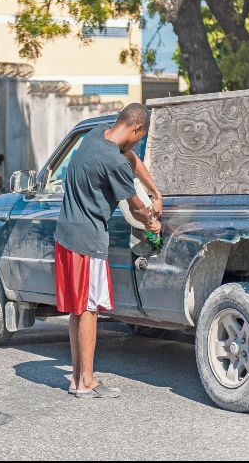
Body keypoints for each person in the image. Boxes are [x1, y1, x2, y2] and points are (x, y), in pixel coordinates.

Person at [54, 103, 162, 399]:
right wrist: (153, 221)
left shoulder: (94, 136)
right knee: (89, 309)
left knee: (78, 311)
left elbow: (131, 158)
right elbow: (135, 207)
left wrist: (155, 191)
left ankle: (78, 379)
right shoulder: (112, 162)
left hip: (65, 236)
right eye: (140, 137)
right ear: (137, 129)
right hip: (88, 242)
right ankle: (86, 382)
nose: (137, 144)